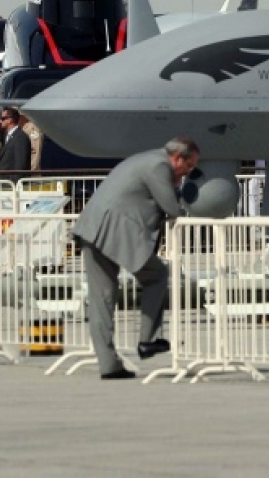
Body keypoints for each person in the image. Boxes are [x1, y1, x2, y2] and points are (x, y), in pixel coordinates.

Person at [73, 136, 200, 380]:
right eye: (189, 165)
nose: (188, 172)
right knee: (157, 275)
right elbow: (171, 207)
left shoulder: (146, 158)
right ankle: (148, 340)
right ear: (177, 158)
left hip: (93, 228)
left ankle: (109, 365)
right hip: (114, 230)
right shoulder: (159, 166)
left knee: (102, 299)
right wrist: (180, 192)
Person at [0, 107, 32, 178]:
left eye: (3, 118)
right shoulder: (7, 136)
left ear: (10, 120)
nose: (0, 121)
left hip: (11, 182)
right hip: (3, 181)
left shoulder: (20, 137)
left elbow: (20, 164)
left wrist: (14, 181)